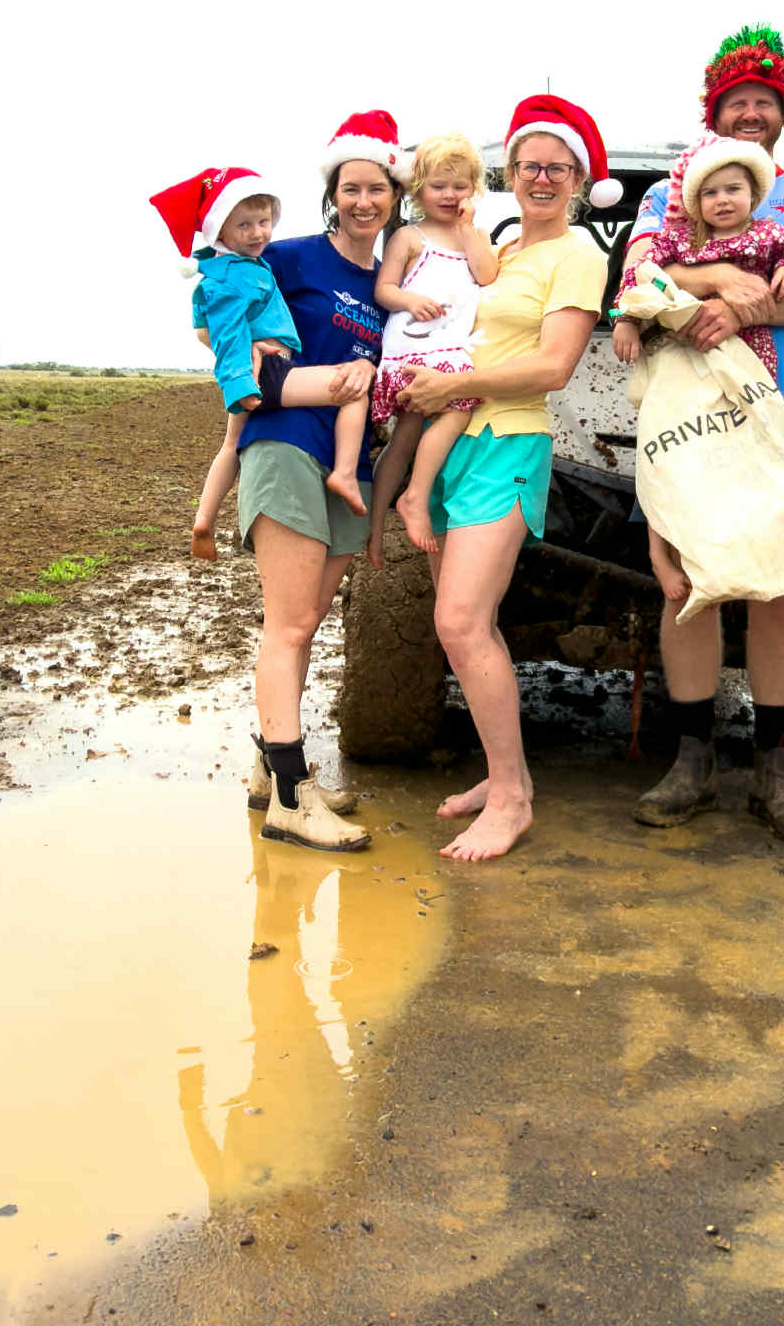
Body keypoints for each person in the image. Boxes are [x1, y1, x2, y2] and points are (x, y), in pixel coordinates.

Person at [624, 25, 784, 842]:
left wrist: (721, 305)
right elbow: (640, 274)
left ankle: (773, 766)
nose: (749, 113)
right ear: (713, 113)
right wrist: (720, 277)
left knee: (780, 588)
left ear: (783, 113)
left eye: (763, 101)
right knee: (687, 582)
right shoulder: (670, 191)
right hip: (688, 413)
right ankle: (691, 759)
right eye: (735, 102)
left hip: (781, 408)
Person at [401, 94, 618, 862]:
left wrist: (451, 385)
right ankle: (505, 777)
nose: (542, 177)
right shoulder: (500, 249)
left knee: (460, 621)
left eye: (558, 167)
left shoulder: (577, 256)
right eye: (530, 165)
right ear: (511, 174)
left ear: (578, 180)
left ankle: (513, 801)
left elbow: (554, 366)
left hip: (508, 440)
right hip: (451, 440)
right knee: (469, 623)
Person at [237, 111, 410, 853]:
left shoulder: (393, 284)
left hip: (351, 464)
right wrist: (255, 357)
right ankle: (289, 799)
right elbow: (216, 317)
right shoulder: (291, 258)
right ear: (332, 195)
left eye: (377, 188)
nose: (364, 201)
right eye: (351, 188)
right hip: (284, 444)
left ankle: (270, 765)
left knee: (306, 621)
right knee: (288, 625)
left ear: (395, 196)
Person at [615, 132, 784, 605]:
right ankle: (661, 554)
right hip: (681, 358)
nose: (722, 200)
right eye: (710, 192)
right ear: (694, 201)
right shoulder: (678, 240)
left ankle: (743, 553)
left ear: (754, 195)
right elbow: (640, 275)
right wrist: (625, 319)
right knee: (668, 456)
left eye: (732, 189)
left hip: (745, 363)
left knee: (739, 454)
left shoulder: (769, 235)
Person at [147, 167, 373, 561]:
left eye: (264, 222)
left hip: (258, 375)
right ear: (220, 231)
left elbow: (204, 324)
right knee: (351, 386)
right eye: (244, 225)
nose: (257, 234)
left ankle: (204, 520)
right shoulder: (239, 276)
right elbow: (225, 331)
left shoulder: (234, 268)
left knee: (230, 445)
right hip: (267, 372)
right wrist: (240, 382)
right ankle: (345, 473)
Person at [366, 133, 499, 566]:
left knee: (407, 434)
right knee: (458, 410)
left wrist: (468, 230)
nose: (449, 195)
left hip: (450, 348)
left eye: (460, 186)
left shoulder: (474, 236)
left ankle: (385, 521)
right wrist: (409, 300)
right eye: (438, 186)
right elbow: (384, 289)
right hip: (413, 347)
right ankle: (409, 500)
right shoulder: (410, 237)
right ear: (419, 189)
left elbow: (487, 275)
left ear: (474, 190)